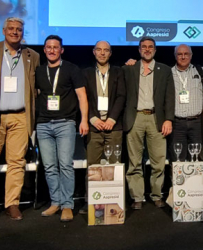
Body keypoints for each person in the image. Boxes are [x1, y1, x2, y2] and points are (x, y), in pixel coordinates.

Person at [0, 17, 40, 223]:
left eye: (19, 29)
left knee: (16, 162)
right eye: (11, 29)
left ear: (23, 33)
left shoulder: (33, 55)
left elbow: (36, 87)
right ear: (3, 31)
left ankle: (12, 204)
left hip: (21, 116)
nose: (15, 32)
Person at [36, 35, 89, 222]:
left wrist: (84, 120)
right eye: (48, 47)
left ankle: (67, 204)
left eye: (55, 47)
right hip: (43, 124)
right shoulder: (39, 71)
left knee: (65, 165)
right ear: (44, 49)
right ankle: (55, 202)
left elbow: (82, 96)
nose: (52, 50)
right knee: (49, 167)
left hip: (65, 123)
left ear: (62, 50)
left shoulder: (71, 69)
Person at [123, 37, 175, 210]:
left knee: (158, 161)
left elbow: (169, 97)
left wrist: (168, 119)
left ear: (155, 50)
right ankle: (137, 197)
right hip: (135, 118)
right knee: (134, 161)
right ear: (139, 50)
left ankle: (157, 195)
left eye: (150, 47)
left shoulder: (165, 70)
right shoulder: (129, 69)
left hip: (156, 119)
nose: (147, 49)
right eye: (143, 47)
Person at [79, 40, 126, 214]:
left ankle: (114, 199)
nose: (102, 53)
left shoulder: (119, 72)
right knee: (93, 166)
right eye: (99, 50)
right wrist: (92, 118)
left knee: (113, 165)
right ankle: (90, 200)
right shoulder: (85, 73)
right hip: (94, 127)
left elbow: (122, 96)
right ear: (93, 52)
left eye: (106, 50)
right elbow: (83, 98)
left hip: (114, 127)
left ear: (111, 53)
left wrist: (112, 119)